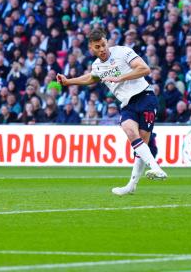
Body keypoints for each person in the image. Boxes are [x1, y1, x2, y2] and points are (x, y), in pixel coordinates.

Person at [56, 28, 167, 195]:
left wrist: (120, 78)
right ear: (91, 48)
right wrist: (68, 81)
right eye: (97, 47)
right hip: (127, 103)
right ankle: (156, 170)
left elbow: (144, 69)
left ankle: (133, 185)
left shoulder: (123, 52)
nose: (101, 49)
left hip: (145, 97)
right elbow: (91, 77)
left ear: (107, 42)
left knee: (142, 143)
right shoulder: (96, 66)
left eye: (103, 45)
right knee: (129, 130)